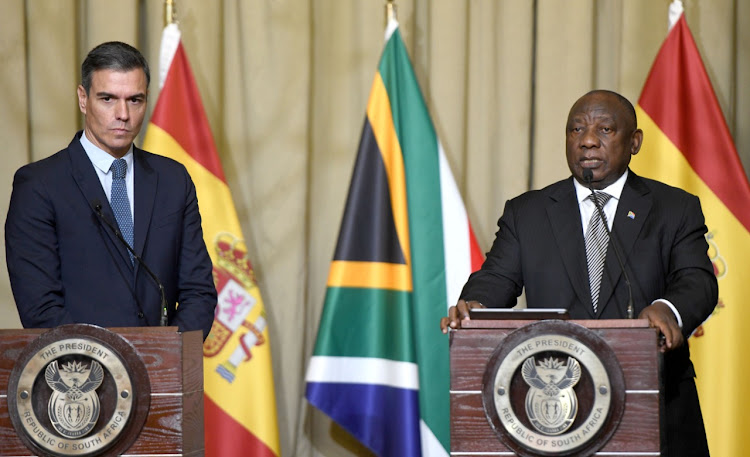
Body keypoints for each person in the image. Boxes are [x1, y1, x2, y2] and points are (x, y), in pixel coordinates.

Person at [441, 90, 717, 457]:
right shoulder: (528, 212)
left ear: (634, 142)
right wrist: (475, 306)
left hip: (656, 404)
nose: (587, 140)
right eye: (576, 130)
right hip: (553, 411)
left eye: (605, 129)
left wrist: (668, 308)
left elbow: (696, 279)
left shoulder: (674, 208)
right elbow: (496, 279)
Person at [5, 41, 217, 339]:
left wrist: (167, 356)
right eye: (107, 99)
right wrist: (107, 366)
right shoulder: (39, 185)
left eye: (135, 100)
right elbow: (40, 307)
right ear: (83, 98)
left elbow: (198, 291)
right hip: (80, 376)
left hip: (161, 373)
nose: (123, 114)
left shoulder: (173, 180)